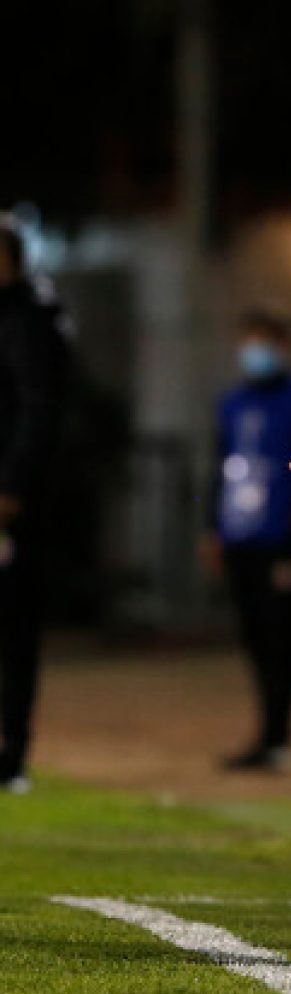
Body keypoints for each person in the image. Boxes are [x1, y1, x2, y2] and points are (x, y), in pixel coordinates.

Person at [201, 309, 291, 772]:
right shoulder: (232, 403)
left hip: (283, 539)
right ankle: (267, 733)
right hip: (241, 536)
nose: (253, 352)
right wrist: (211, 528)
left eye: (263, 342)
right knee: (255, 638)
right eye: (248, 341)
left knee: (283, 640)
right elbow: (219, 466)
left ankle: (278, 736)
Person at [0, 215, 68, 793]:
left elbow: (34, 411)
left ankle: (11, 754)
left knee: (14, 631)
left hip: (13, 504)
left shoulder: (28, 323)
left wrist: (12, 488)